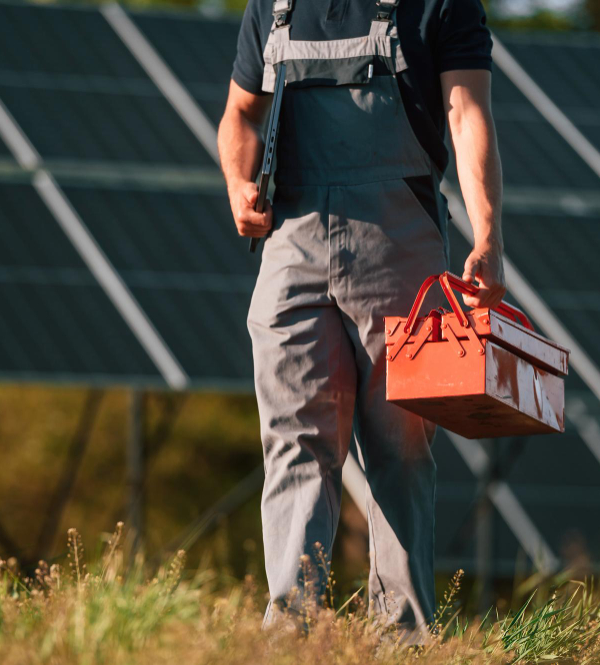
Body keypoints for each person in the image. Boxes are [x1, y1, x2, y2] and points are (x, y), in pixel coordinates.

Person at [217, 0, 505, 636]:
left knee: (399, 448)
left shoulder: (441, 2)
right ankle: (291, 636)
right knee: (296, 440)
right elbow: (240, 115)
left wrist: (487, 235)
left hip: (398, 246)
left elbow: (467, 111)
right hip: (290, 246)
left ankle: (403, 636)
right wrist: (238, 182)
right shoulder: (274, 5)